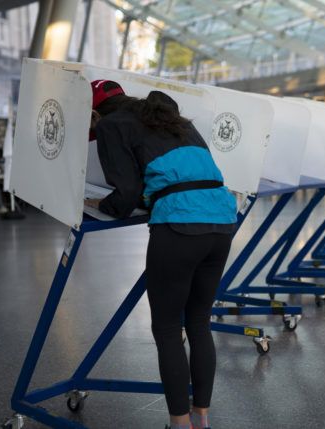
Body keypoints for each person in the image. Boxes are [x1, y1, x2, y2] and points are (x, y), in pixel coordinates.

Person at [86, 80, 238, 429]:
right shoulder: (177, 121)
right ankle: (200, 420)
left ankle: (178, 424)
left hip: (179, 225)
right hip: (221, 220)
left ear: (95, 114)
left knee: (168, 328)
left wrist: (97, 202)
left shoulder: (110, 125)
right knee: (198, 322)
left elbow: (125, 198)